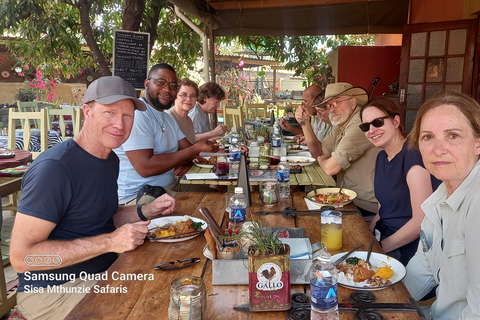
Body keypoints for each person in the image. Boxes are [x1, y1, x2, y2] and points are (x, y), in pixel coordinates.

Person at [10, 76, 176, 320]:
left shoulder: (110, 160)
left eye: (127, 115)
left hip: (105, 270)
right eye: (109, 113)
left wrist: (146, 211)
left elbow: (100, 215)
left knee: (175, 286)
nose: (119, 124)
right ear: (87, 111)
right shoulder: (55, 168)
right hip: (53, 290)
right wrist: (109, 243)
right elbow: (22, 257)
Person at [404, 91, 480, 320]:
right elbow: (421, 269)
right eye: (428, 137)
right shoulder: (441, 196)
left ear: (478, 144)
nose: (438, 149)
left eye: (453, 135)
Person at [114, 63, 218, 204]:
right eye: (161, 82)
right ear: (147, 83)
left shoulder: (167, 118)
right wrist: (195, 149)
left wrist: (207, 149)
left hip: (169, 186)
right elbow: (145, 167)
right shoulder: (138, 116)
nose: (167, 89)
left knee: (218, 197)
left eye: (173, 85)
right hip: (141, 196)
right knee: (207, 206)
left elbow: (188, 152)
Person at [359, 97, 440, 265]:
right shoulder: (382, 156)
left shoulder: (412, 155)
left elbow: (421, 221)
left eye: (378, 122)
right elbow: (383, 208)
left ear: (396, 121)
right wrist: (366, 236)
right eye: (365, 126)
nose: (371, 130)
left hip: (408, 249)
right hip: (385, 236)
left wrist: (380, 247)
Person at [296, 82, 381, 216]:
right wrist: (305, 124)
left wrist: (324, 160)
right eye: (329, 105)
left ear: (352, 102)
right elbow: (319, 153)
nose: (332, 109)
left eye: (336, 103)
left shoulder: (360, 122)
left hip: (364, 204)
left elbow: (330, 168)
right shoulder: (341, 122)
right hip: (345, 197)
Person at [166, 78, 199, 144]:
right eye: (184, 95)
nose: (188, 99)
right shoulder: (168, 118)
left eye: (192, 96)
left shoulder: (189, 121)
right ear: (175, 96)